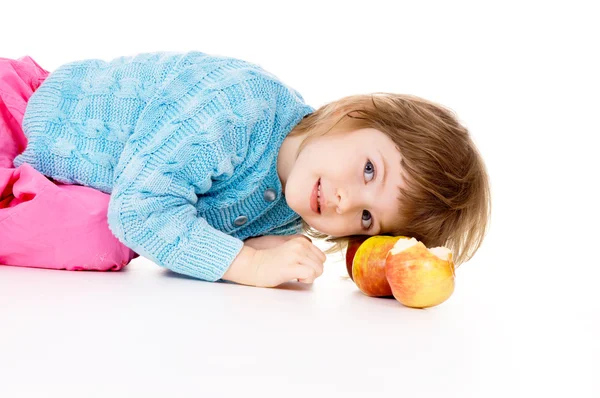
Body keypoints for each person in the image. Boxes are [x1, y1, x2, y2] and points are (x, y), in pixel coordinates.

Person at [0, 51, 491, 288]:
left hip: (65, 188)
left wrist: (251, 245)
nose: (345, 202)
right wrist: (246, 263)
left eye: (366, 218)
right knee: (109, 233)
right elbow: (140, 211)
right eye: (368, 171)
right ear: (351, 114)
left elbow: (167, 222)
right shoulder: (238, 109)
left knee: (99, 238)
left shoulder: (294, 213)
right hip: (30, 120)